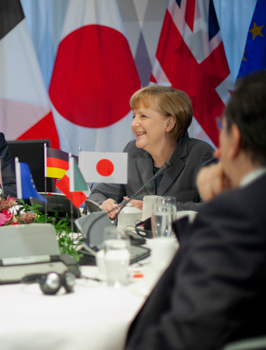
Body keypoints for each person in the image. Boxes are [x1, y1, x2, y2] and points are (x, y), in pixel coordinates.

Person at [125, 70, 266, 349]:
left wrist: (218, 207)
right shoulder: (132, 151)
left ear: (235, 139)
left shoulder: (236, 214)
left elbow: (185, 332)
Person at [88, 86, 215, 217]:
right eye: (134, 116)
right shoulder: (131, 151)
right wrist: (106, 204)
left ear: (169, 123)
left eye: (143, 116)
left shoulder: (201, 154)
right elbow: (98, 194)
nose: (133, 124)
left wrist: (158, 208)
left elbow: (216, 207)